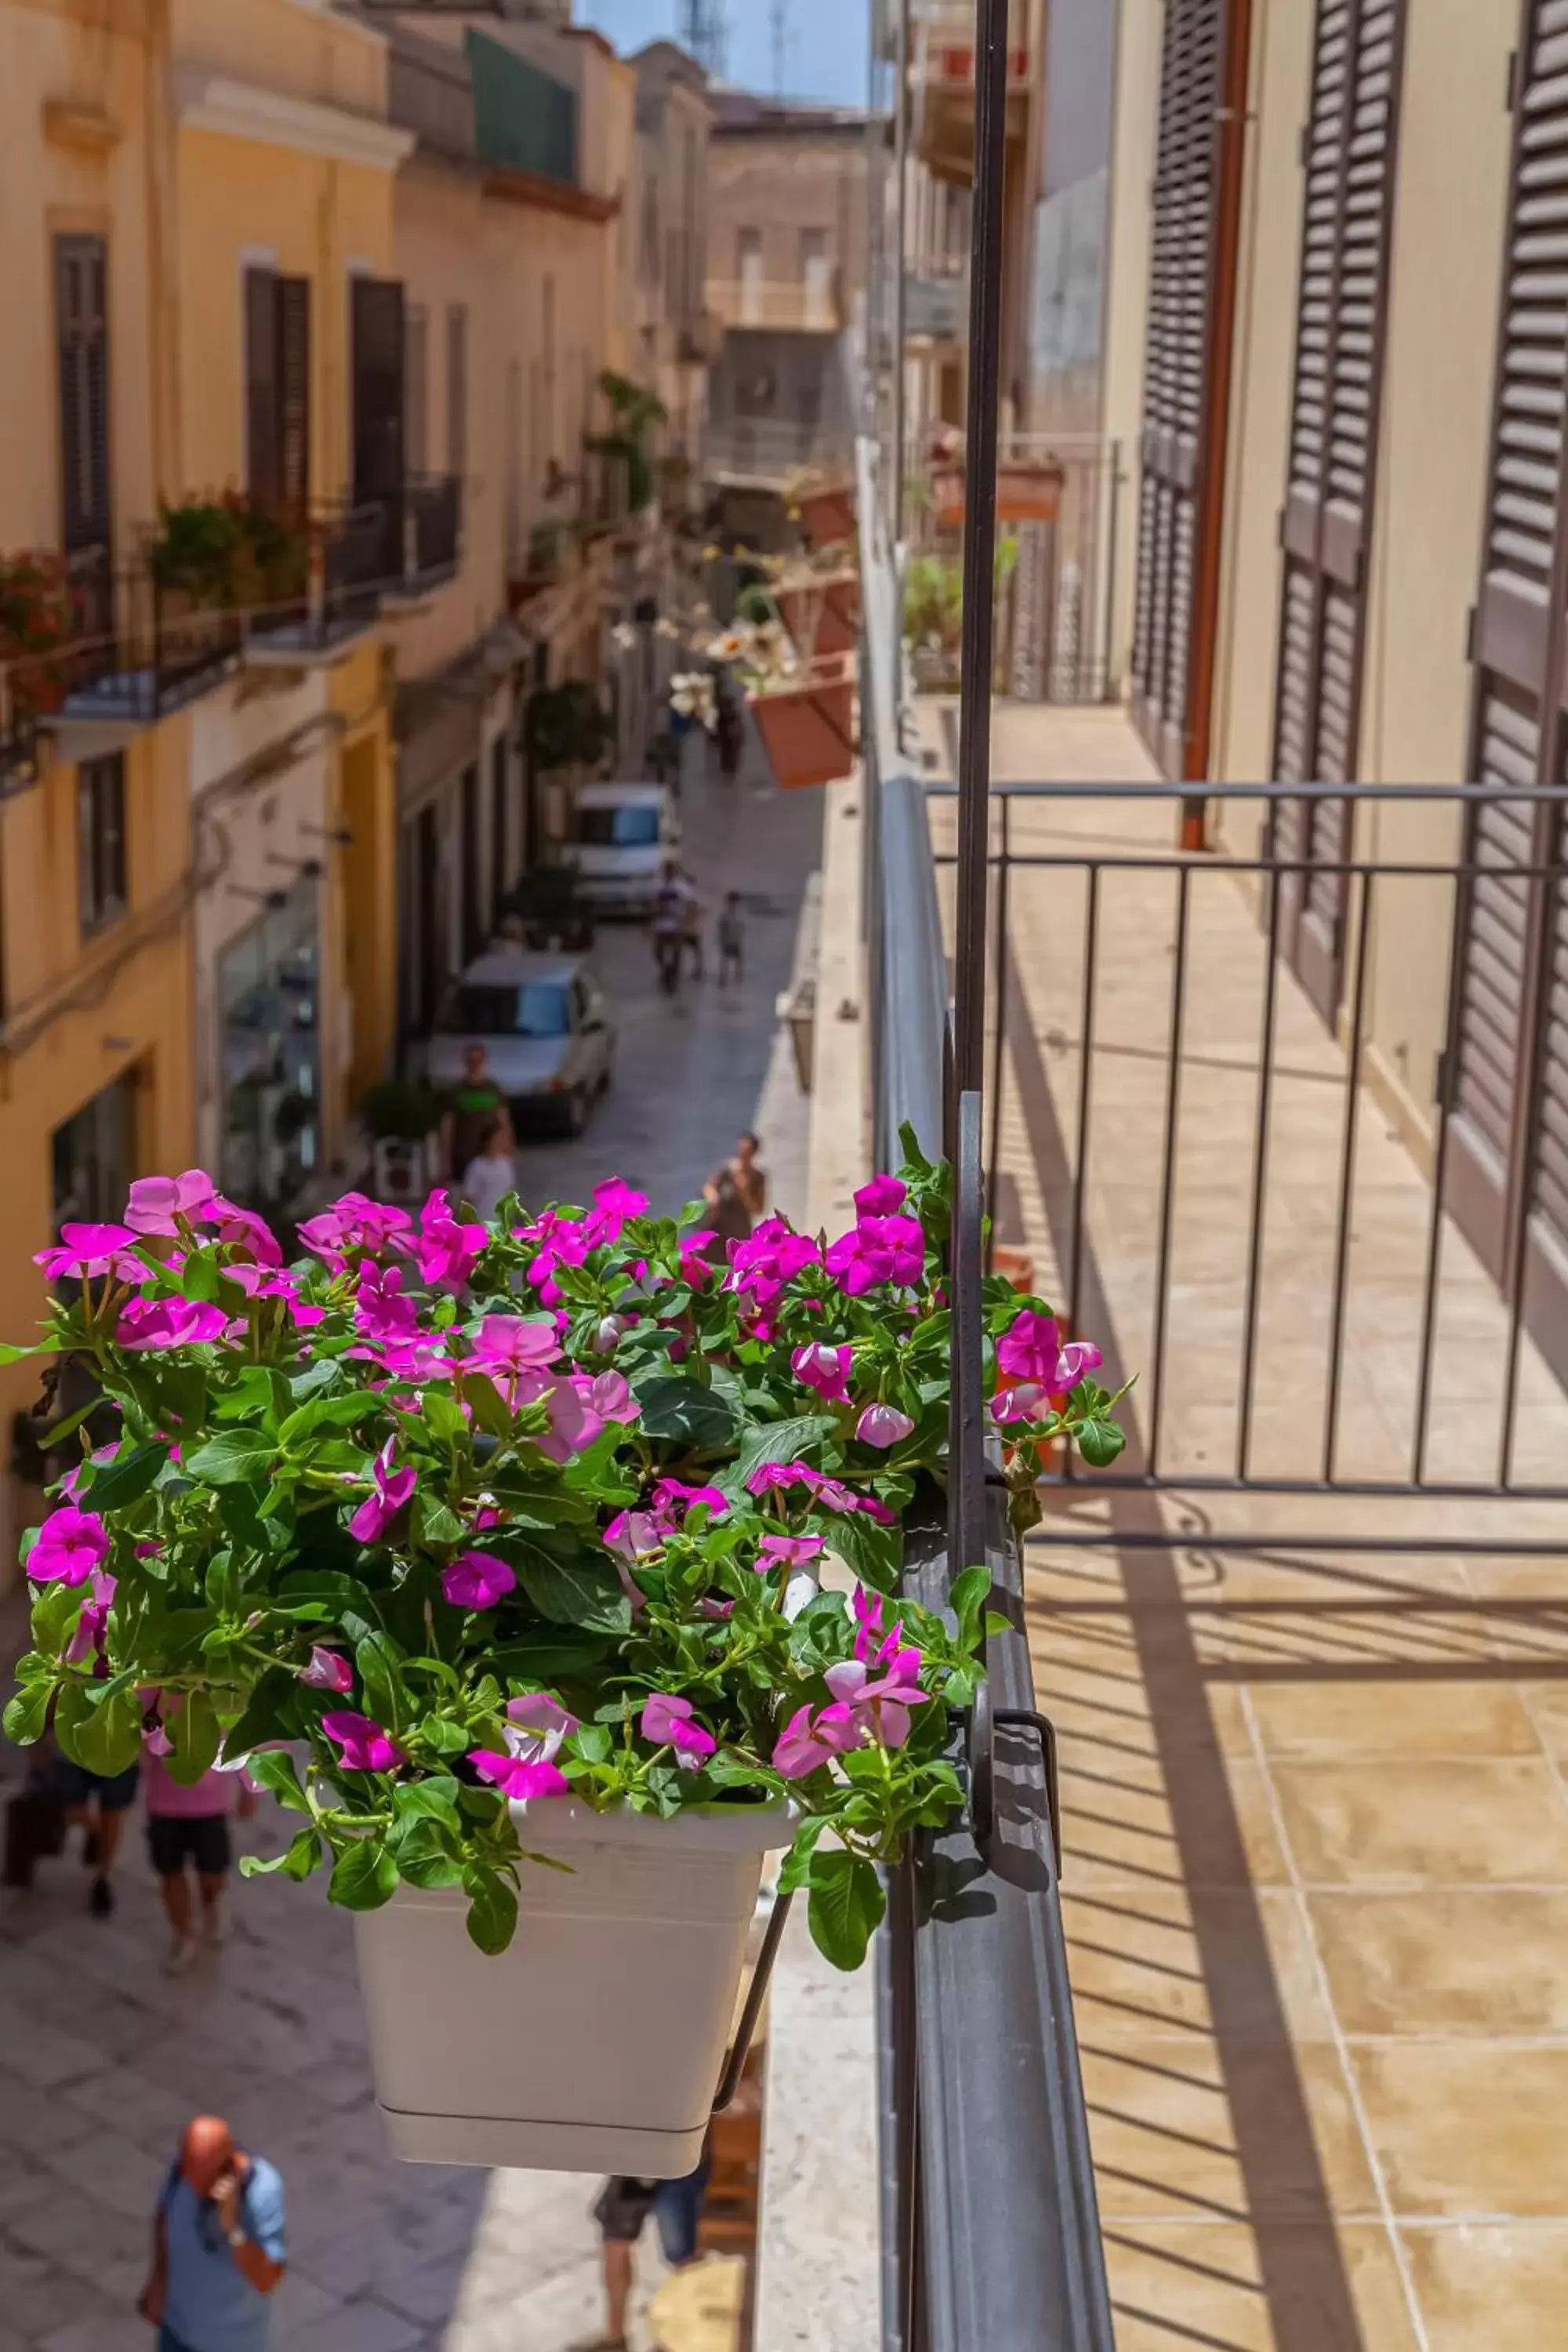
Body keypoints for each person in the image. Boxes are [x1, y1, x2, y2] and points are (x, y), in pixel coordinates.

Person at [138, 2114, 286, 2351]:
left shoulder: (261, 2192)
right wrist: (158, 2278)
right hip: (177, 2333)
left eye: (202, 2182)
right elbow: (165, 2211)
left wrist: (232, 2228)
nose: (193, 2188)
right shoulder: (185, 2171)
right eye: (190, 2175)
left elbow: (267, 2279)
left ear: (225, 2169)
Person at [143, 1710, 256, 1975]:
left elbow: (239, 1735)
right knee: (170, 1874)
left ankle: (212, 1906)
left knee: (212, 1876)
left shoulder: (216, 1688)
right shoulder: (151, 1689)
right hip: (163, 1803)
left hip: (210, 1805)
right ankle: (183, 1935)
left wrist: (248, 1787)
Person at [574, 2148, 710, 2352]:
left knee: (683, 2256)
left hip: (680, 2153)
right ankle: (615, 2337)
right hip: (638, 2157)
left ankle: (683, 2340)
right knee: (615, 2241)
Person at [60, 1750, 138, 1918]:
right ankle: (95, 1832)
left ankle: (103, 1879)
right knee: (72, 1811)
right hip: (72, 1741)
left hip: (121, 1744)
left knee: (112, 1812)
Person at [440, 1042, 504, 1185]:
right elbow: (448, 1126)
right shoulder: (457, 1091)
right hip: (463, 1154)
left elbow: (503, 1121)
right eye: (471, 1061)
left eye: (478, 1061)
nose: (475, 1065)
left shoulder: (493, 1089)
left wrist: (506, 1151)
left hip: (488, 1155)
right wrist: (445, 1160)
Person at [704, 1132, 767, 1245]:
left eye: (746, 1150)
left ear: (753, 1153)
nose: (742, 1153)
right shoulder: (726, 1169)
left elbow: (758, 1210)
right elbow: (709, 1187)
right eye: (741, 1148)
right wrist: (713, 1199)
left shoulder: (758, 1176)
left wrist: (744, 1193)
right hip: (719, 1225)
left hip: (739, 1229)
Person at [461, 1111, 517, 1222]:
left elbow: (510, 1193)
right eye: (495, 1140)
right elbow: (469, 1196)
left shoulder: (505, 1164)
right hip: (483, 1220)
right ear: (487, 1142)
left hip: (502, 1223)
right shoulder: (477, 1165)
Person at [717, 891, 745, 989]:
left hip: (735, 941)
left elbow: (741, 928)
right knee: (727, 960)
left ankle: (736, 978)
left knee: (736, 960)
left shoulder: (736, 914)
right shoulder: (726, 915)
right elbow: (721, 929)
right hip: (729, 941)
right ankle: (724, 978)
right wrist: (721, 941)